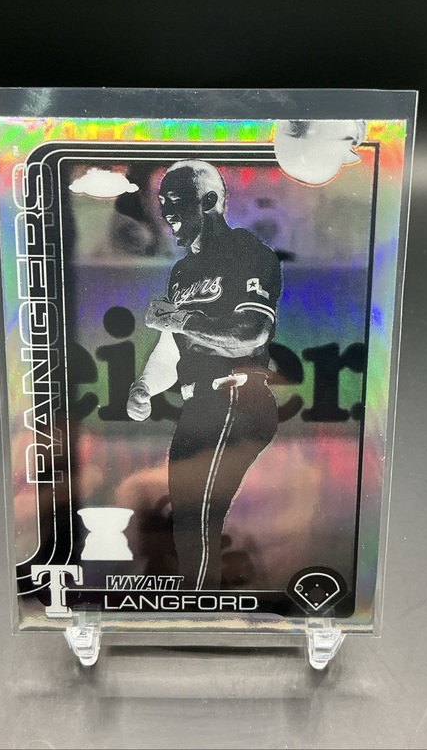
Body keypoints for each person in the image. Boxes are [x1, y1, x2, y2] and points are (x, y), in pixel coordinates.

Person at [126, 160, 282, 590]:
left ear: (209, 201)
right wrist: (146, 386)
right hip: (201, 404)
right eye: (162, 202)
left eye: (176, 200)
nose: (166, 212)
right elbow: (171, 349)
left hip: (237, 397)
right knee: (187, 519)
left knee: (196, 516)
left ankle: (200, 603)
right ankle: (200, 598)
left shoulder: (247, 251)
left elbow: (252, 332)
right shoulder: (182, 271)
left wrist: (179, 320)